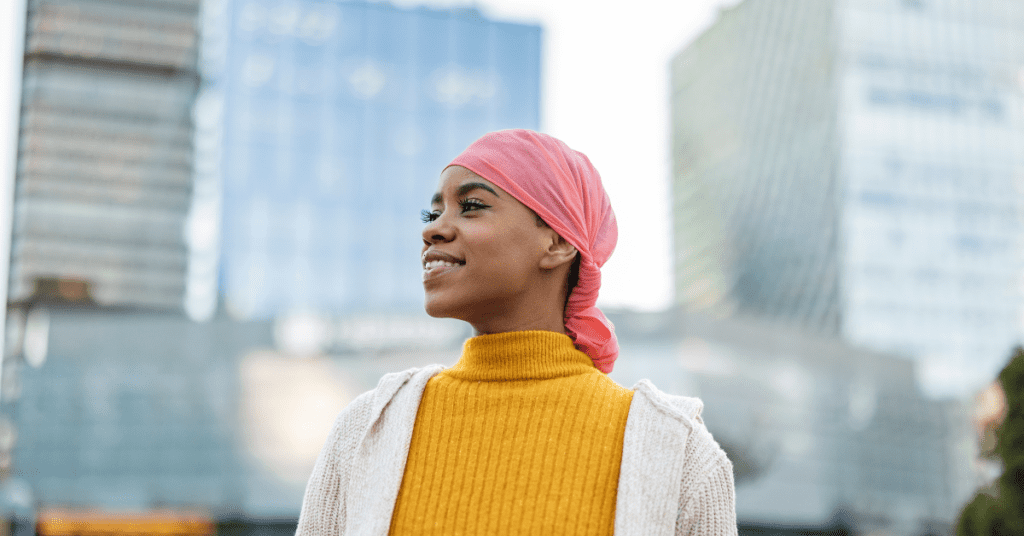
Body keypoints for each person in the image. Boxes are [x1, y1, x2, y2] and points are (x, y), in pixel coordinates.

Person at [296, 129, 737, 535]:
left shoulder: (678, 453)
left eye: (471, 206)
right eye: (433, 211)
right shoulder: (368, 429)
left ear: (559, 242)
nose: (432, 229)